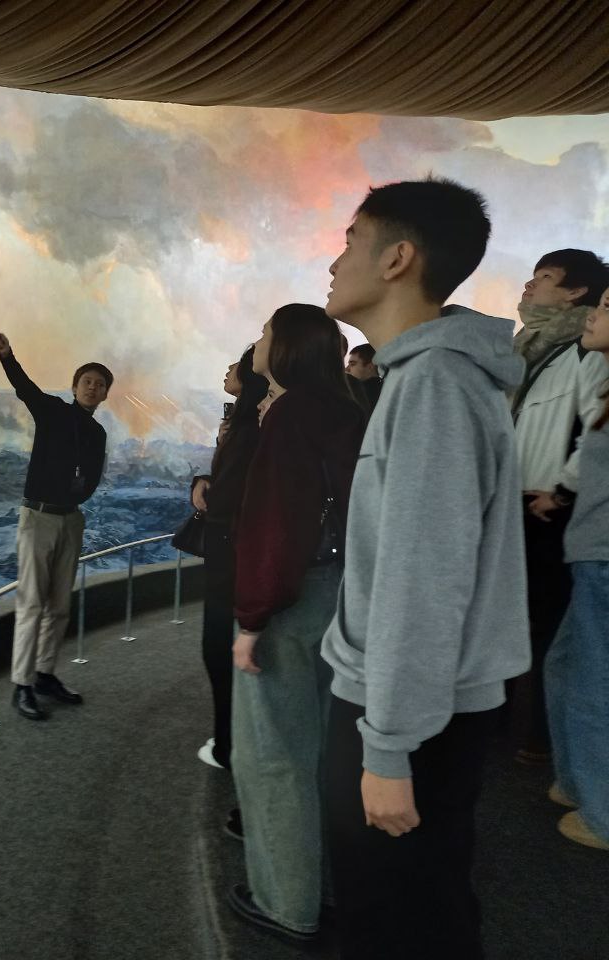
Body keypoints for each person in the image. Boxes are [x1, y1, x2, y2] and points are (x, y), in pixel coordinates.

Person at [320, 177, 529, 960]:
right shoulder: (427, 376)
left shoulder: (436, 385)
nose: (334, 261)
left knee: (398, 920)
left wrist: (387, 748)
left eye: (349, 240)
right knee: (419, 905)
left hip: (407, 713)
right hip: (413, 703)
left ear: (397, 259)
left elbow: (423, 581)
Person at [222, 303, 364, 943]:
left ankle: (287, 903)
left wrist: (253, 620)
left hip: (291, 601)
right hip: (341, 597)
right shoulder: (346, 407)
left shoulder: (290, 414)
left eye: (265, 332)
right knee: (322, 755)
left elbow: (278, 524)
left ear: (287, 348)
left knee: (273, 756)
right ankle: (322, 885)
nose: (257, 341)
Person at [0, 320, 110, 721]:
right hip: (38, 517)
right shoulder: (53, 411)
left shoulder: (97, 433)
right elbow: (25, 388)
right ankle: (21, 685)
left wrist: (77, 496)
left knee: (59, 605)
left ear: (106, 394)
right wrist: (6, 354)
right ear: (74, 387)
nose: (93, 388)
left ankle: (44, 674)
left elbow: (92, 476)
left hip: (71, 520)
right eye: (87, 382)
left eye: (100, 384)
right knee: (32, 602)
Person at [510, 248, 609, 763]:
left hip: (551, 512)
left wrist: (563, 491)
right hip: (521, 506)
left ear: (575, 292)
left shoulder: (584, 351)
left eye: (544, 277)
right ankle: (520, 728)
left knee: (551, 626)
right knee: (524, 621)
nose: (530, 285)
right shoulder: (532, 349)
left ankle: (543, 740)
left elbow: (596, 428)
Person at [545, 284, 609, 851]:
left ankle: (602, 812)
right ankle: (575, 780)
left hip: (602, 556)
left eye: (607, 308)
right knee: (565, 666)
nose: (593, 315)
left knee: (593, 683)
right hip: (592, 552)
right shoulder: (604, 383)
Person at [189, 347, 268, 769]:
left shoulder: (249, 427)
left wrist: (208, 492)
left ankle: (228, 745)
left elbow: (234, 493)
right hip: (233, 550)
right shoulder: (247, 423)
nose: (228, 368)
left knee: (219, 646)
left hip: (229, 553)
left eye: (236, 363)